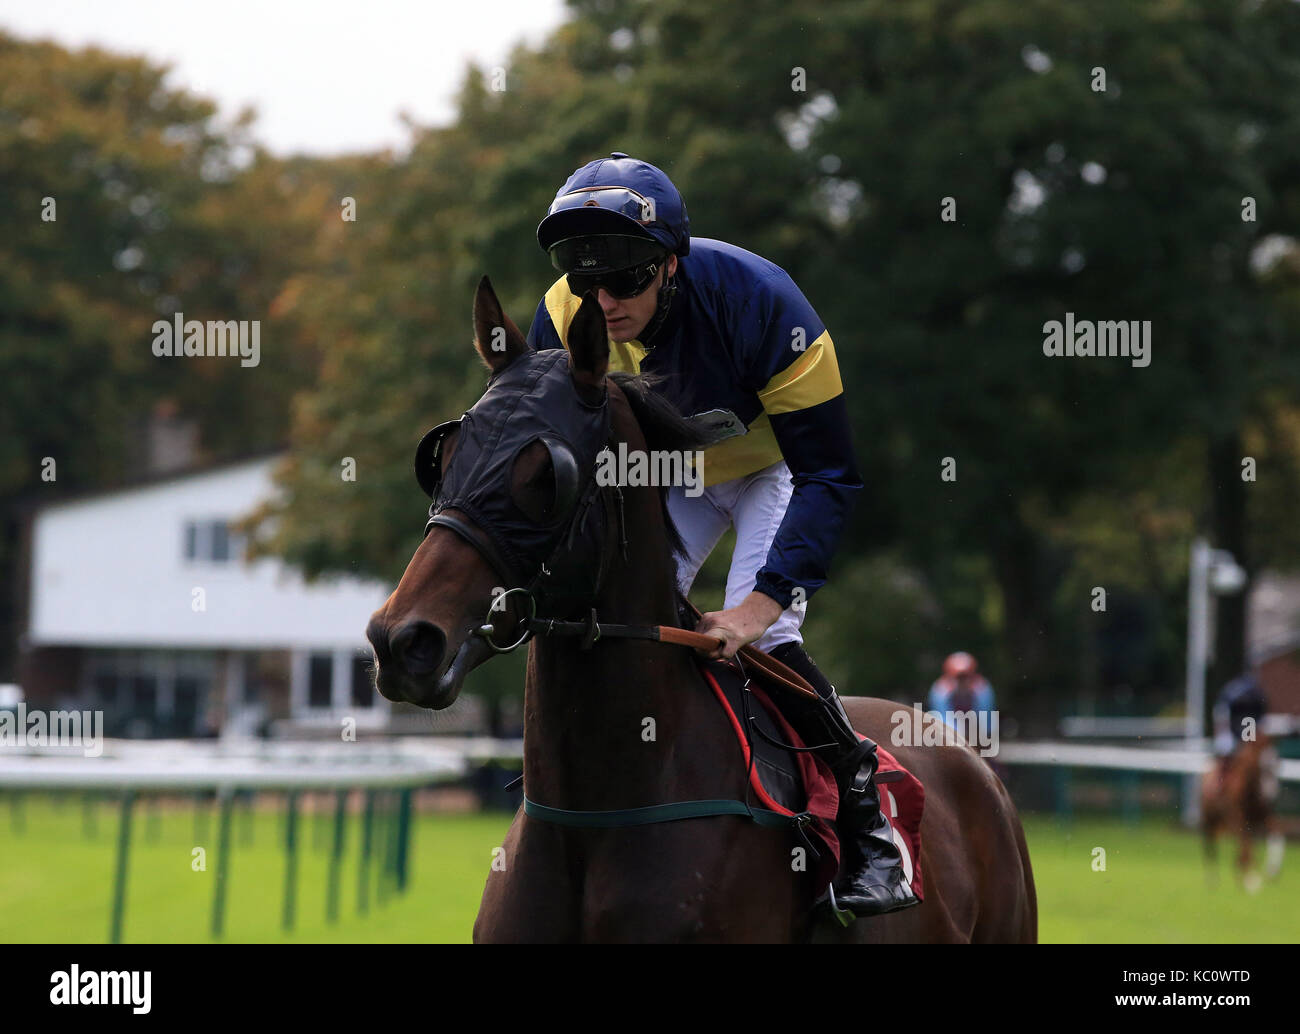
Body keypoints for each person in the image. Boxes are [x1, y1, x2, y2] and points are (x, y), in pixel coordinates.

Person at [526, 152, 915, 918]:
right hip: (673, 474)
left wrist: (761, 604)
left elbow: (832, 474)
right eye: (586, 280)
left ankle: (868, 821)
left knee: (762, 638)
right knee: (613, 611)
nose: (603, 301)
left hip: (777, 469)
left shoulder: (765, 304)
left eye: (626, 279)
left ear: (671, 265)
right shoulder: (561, 315)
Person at [927, 651, 996, 730]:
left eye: (965, 676)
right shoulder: (940, 690)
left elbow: (986, 720)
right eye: (958, 677)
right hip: (953, 727)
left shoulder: (982, 688)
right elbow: (942, 720)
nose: (962, 680)